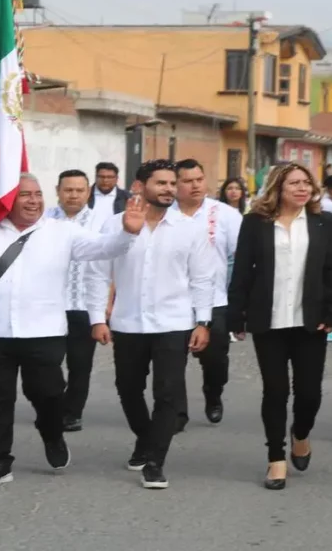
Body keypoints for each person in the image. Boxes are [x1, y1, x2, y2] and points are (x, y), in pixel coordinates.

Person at [0, 173, 144, 488]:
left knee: (48, 395)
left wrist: (127, 233)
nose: (33, 200)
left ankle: (52, 435)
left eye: (37, 194)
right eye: (25, 195)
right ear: (8, 199)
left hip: (44, 332)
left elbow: (103, 248)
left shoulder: (61, 231)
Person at [86, 159, 216, 490]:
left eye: (173, 184)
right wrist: (97, 318)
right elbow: (98, 274)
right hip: (128, 322)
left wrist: (203, 321)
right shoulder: (115, 224)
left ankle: (155, 461)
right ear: (140, 186)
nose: (170, 189)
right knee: (127, 388)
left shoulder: (190, 229)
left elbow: (203, 278)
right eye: (161, 183)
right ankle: (146, 438)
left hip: (174, 322)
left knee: (168, 392)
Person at [228, 162, 332, 490]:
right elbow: (242, 270)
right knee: (275, 390)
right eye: (294, 183)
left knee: (309, 393)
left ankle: (301, 432)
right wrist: (235, 313)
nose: (302, 188)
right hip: (268, 320)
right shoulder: (255, 222)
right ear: (277, 188)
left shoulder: (325, 222)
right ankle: (275, 458)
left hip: (310, 320)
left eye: (306, 183)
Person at [171, 159, 242, 427]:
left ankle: (214, 395)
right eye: (188, 181)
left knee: (215, 362)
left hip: (215, 301)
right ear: (176, 184)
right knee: (172, 363)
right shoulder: (165, 214)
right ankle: (177, 413)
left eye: (199, 179)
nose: (195, 185)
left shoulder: (224, 214)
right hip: (174, 302)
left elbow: (244, 257)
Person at [45, 170, 99, 433]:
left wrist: (107, 303)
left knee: (80, 365)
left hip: (84, 306)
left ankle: (72, 412)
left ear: (88, 192)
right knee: (47, 362)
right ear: (58, 190)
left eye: (79, 190)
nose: (74, 195)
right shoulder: (44, 221)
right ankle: (52, 406)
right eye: (68, 190)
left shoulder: (102, 222)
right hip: (50, 304)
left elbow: (109, 265)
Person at [87, 162, 130, 231]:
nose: (105, 180)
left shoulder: (127, 197)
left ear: (116, 179)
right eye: (101, 177)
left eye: (109, 177)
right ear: (96, 177)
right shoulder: (85, 195)